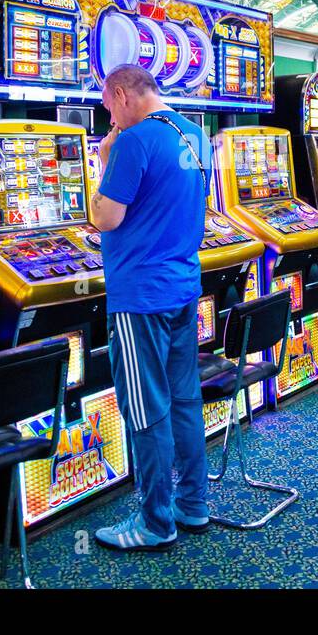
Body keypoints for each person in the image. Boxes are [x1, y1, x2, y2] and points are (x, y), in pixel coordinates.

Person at [91, 64, 213, 551]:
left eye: (106, 103)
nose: (106, 113)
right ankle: (192, 504)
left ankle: (155, 523)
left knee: (146, 409)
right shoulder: (196, 135)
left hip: (140, 294)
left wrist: (102, 161)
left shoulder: (135, 140)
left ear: (122, 95)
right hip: (183, 285)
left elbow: (107, 216)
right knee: (184, 400)